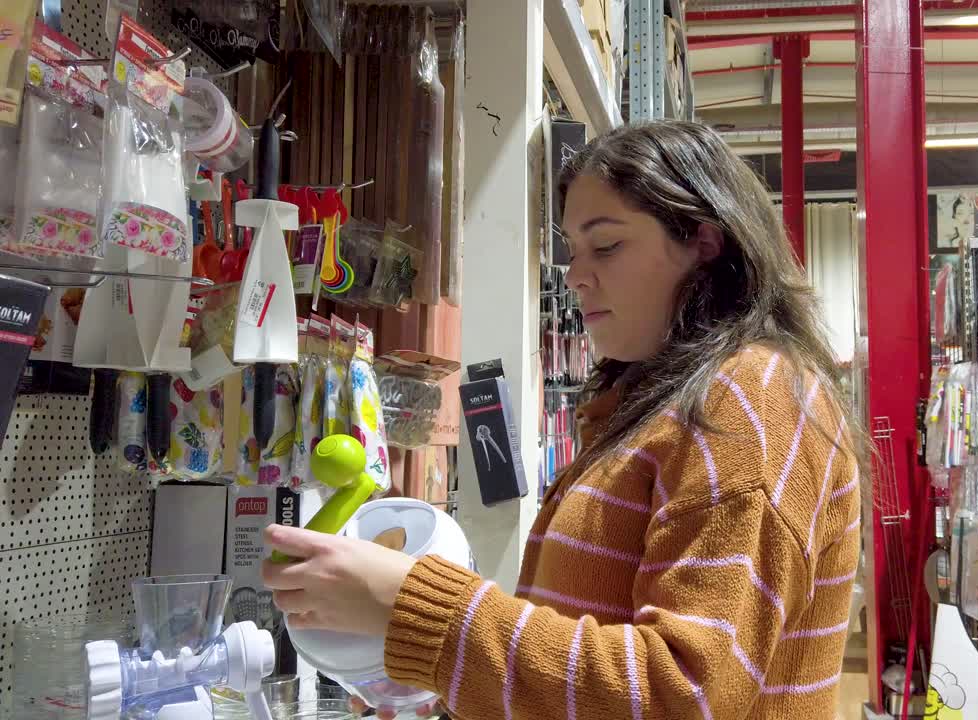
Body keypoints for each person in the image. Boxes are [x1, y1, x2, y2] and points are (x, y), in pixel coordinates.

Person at [263, 120, 865, 720]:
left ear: (705, 244)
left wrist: (416, 614)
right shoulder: (661, 403)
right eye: (572, 251)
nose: (577, 275)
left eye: (606, 246)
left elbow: (680, 694)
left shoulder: (753, 397)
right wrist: (455, 684)